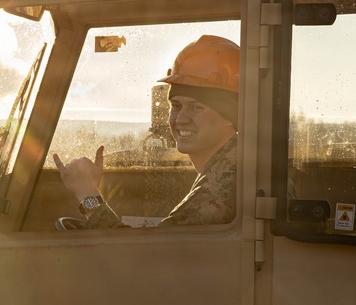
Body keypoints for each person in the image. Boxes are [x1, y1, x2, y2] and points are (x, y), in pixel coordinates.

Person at [53, 34, 239, 228]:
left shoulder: (220, 188)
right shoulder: (228, 167)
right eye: (176, 105)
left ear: (230, 117)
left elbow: (143, 257)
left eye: (196, 107)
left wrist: (87, 194)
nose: (181, 119)